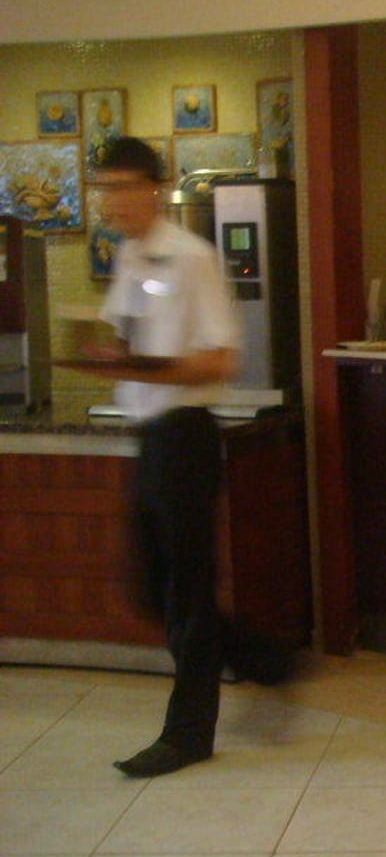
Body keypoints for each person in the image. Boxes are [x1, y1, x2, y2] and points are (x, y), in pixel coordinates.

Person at [87, 136, 245, 778]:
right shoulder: (131, 256)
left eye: (124, 187)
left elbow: (221, 359)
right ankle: (262, 656)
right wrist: (109, 357)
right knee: (151, 587)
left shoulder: (192, 258)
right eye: (105, 189)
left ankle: (188, 733)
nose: (113, 201)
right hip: (150, 435)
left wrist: (143, 368)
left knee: (186, 591)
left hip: (186, 434)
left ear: (154, 188)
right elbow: (125, 339)